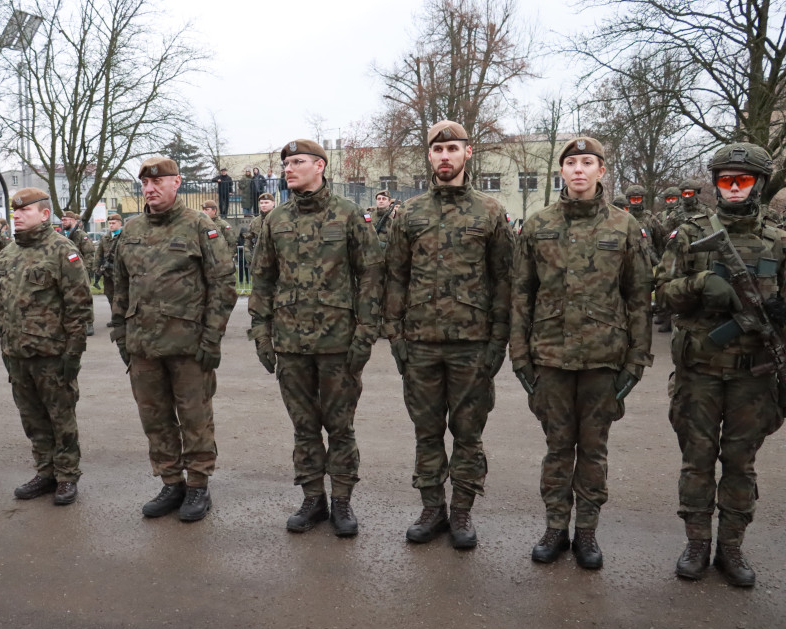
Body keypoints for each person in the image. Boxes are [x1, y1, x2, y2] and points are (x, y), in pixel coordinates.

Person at [510, 137, 653, 569]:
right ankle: (555, 527)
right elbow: (521, 294)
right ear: (562, 171)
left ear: (601, 171)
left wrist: (636, 361)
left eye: (587, 162)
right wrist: (520, 357)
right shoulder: (538, 226)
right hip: (550, 358)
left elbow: (639, 298)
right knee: (557, 449)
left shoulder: (624, 227)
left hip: (602, 361)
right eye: (571, 162)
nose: (578, 170)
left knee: (593, 451)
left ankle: (587, 532)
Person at [656, 143, 785, 588]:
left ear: (759, 185)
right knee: (697, 460)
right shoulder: (691, 233)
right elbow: (660, 292)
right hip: (700, 370)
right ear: (715, 184)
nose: (733, 188)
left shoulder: (778, 239)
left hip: (756, 374)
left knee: (740, 462)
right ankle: (696, 542)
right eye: (726, 180)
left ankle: (731, 545)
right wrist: (699, 282)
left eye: (743, 180)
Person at [384, 120, 513, 548]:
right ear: (430, 157)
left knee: (468, 432)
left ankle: (461, 512)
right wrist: (396, 337)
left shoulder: (490, 212)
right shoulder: (410, 213)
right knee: (426, 431)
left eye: (452, 149)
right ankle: (432, 508)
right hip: (420, 343)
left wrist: (498, 341)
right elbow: (396, 278)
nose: (444, 157)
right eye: (437, 151)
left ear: (467, 153)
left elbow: (503, 281)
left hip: (472, 345)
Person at [248, 139, 384, 537]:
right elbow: (262, 278)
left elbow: (371, 276)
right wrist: (260, 330)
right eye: (286, 163)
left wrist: (365, 332)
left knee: (340, 426)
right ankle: (313, 498)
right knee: (304, 427)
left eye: (298, 162)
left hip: (338, 343)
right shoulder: (276, 221)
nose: (289, 169)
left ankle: (342, 500)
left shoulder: (348, 215)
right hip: (290, 343)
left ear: (320, 166)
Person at [110, 157, 236, 522]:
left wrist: (212, 339)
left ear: (176, 183)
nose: (150, 189)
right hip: (143, 346)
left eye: (158, 183)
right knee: (156, 418)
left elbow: (223, 285)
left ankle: (198, 485)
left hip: (188, 345)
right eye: (145, 184)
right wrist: (122, 336)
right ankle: (170, 481)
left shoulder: (200, 226)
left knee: (194, 417)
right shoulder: (131, 230)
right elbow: (120, 287)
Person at [0, 188, 93, 505]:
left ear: (44, 214)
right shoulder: (7, 254)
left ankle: (66, 476)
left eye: (25, 210)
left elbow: (79, 307)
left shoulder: (63, 251)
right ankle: (44, 471)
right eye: (15, 211)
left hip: (52, 355)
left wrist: (73, 355)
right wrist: (5, 350)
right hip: (17, 353)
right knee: (32, 417)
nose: (18, 215)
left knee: (60, 417)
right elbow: (2, 306)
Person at [242, 192, 275, 282]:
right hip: (259, 263)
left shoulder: (279, 219)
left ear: (273, 203)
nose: (263, 205)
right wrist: (248, 254)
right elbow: (248, 239)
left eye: (266, 202)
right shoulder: (255, 222)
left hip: (275, 263)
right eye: (261, 203)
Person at [95, 213, 123, 303]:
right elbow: (98, 255)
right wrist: (96, 269)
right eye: (110, 223)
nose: (111, 225)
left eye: (113, 223)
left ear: (120, 223)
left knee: (122, 298)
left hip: (120, 273)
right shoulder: (105, 238)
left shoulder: (125, 237)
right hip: (107, 273)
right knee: (110, 295)